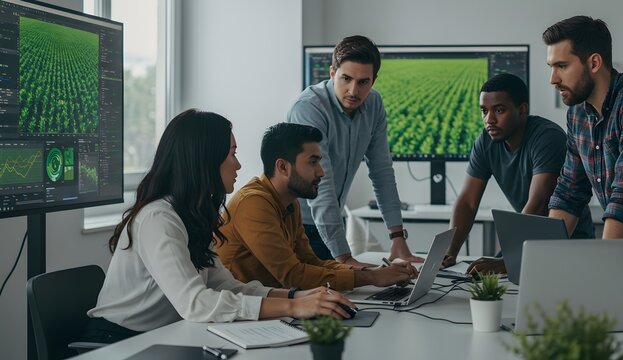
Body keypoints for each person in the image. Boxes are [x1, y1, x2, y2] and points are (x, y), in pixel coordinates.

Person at [84, 110, 355, 344]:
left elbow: (225, 286)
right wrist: (293, 307)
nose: (238, 164)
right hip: (118, 342)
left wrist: (297, 295)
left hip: (163, 335)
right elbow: (196, 303)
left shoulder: (192, 215)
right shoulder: (158, 218)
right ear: (205, 159)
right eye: (232, 154)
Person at [216, 123, 418, 291]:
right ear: (283, 167)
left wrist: (375, 271)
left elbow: (310, 262)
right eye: (313, 162)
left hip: (271, 306)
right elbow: (293, 276)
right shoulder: (253, 203)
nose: (321, 172)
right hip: (242, 316)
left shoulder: (290, 201)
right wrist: (371, 279)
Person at [288, 35, 423, 267]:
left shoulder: (374, 105)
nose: (353, 90)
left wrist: (397, 236)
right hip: (295, 225)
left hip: (332, 219)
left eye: (363, 82)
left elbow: (381, 171)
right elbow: (323, 186)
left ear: (374, 80)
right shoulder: (309, 108)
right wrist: (346, 260)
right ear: (332, 73)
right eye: (346, 78)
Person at [442, 73, 594, 274]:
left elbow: (538, 204)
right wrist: (448, 254)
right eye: (484, 111)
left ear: (522, 110)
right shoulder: (486, 142)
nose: (489, 119)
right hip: (527, 240)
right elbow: (467, 202)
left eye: (499, 110)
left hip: (569, 245)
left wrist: (508, 261)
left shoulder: (548, 138)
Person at [544, 16, 623, 238]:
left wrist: (607, 267)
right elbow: (569, 193)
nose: (553, 79)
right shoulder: (577, 114)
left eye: (562, 66)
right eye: (551, 67)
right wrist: (540, 258)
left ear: (594, 63)